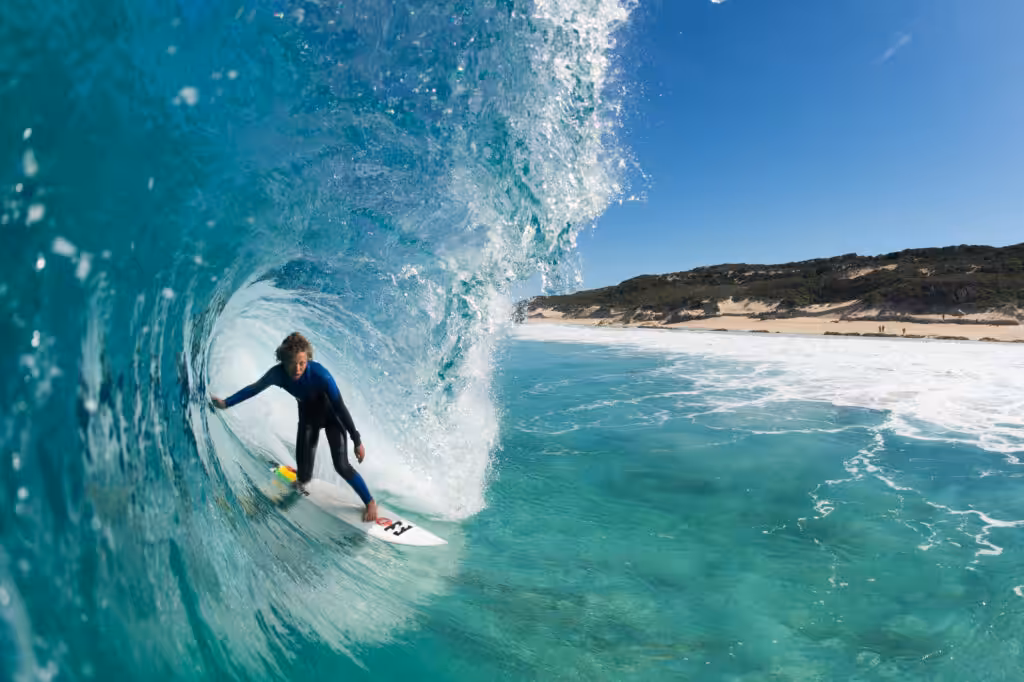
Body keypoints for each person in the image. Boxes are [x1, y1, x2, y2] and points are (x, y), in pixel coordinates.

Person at [210, 332, 377, 521]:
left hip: (332, 420)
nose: (298, 369)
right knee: (304, 478)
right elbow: (253, 389)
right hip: (308, 421)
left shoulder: (322, 376)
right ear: (283, 361)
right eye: (293, 363)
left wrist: (356, 440)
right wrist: (226, 403)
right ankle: (299, 479)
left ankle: (370, 502)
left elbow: (340, 408)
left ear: (308, 360)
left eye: (302, 363)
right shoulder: (277, 374)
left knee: (342, 466)